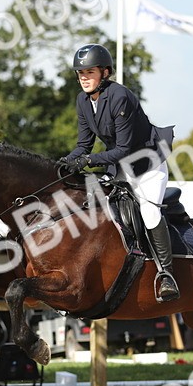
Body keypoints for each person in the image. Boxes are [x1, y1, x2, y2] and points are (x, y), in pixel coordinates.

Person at [57, 43, 179, 302]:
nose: (84, 78)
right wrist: (65, 162)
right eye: (80, 73)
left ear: (105, 72)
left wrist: (88, 161)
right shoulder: (83, 101)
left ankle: (166, 273)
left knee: (148, 210)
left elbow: (123, 149)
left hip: (147, 164)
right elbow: (83, 145)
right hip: (120, 167)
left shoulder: (120, 96)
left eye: (89, 72)